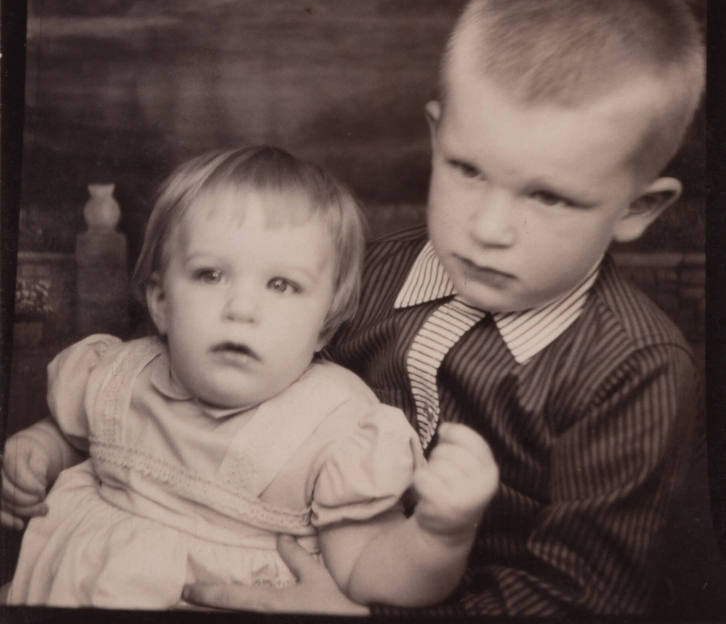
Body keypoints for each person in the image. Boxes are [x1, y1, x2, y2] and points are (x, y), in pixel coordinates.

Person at [182, 0, 706, 616]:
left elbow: (575, 600)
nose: (488, 228)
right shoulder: (364, 272)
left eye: (548, 197)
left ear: (638, 208)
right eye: (467, 169)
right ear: (436, 138)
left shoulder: (634, 369)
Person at [1, 145, 498, 609]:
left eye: (281, 284)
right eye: (210, 275)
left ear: (325, 327)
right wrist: (39, 452)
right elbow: (74, 437)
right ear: (161, 302)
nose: (241, 308)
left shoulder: (334, 427)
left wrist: (440, 535)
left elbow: (366, 569)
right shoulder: (118, 374)